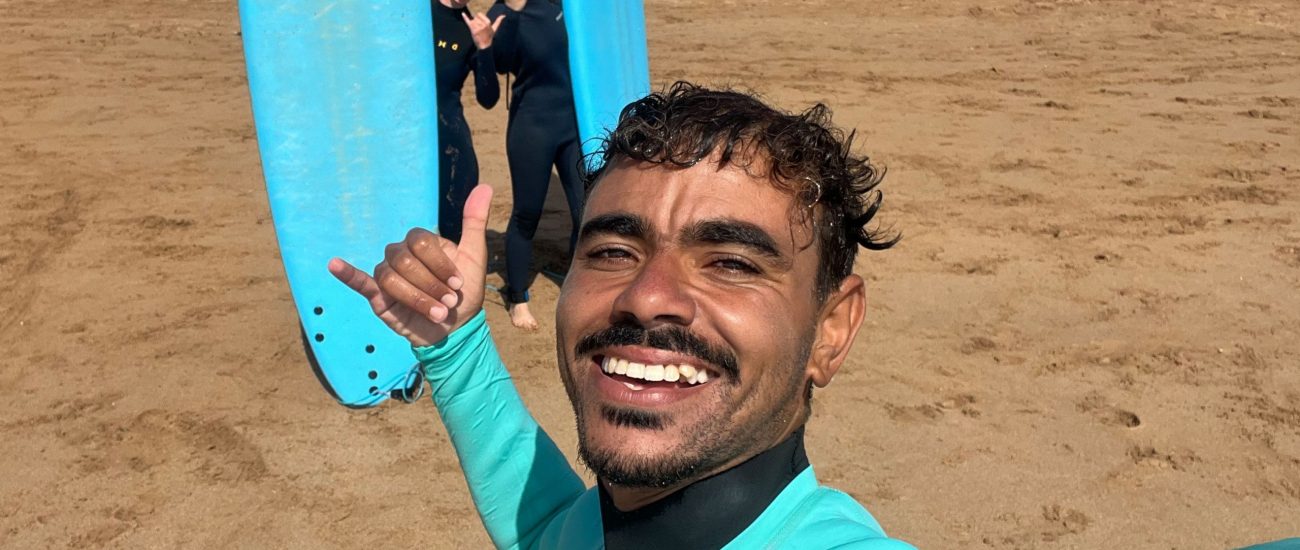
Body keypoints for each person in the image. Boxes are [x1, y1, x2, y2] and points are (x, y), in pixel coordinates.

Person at [329, 82, 913, 549]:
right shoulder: (594, 526)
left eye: (731, 263)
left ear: (830, 331)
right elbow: (544, 530)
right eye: (613, 251)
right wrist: (455, 345)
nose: (647, 295)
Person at [486, 0, 585, 331]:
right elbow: (500, 62)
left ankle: (578, 286)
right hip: (532, 127)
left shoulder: (561, 4)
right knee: (527, 215)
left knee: (585, 211)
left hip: (572, 124)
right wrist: (512, 15)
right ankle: (517, 297)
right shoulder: (499, 14)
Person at [431, 0, 503, 243]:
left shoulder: (470, 29)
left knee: (454, 223)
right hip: (407, 136)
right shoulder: (416, 14)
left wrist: (484, 47)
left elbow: (488, 99)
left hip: (449, 138)